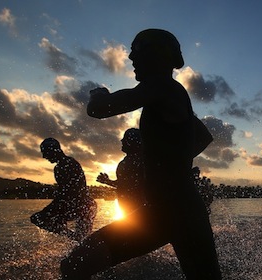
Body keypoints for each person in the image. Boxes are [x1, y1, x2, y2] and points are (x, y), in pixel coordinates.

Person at [60, 29, 221, 279]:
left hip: (176, 211)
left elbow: (99, 109)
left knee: (74, 266)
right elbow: (202, 136)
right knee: (74, 265)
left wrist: (97, 94)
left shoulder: (162, 86)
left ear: (158, 54)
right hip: (170, 210)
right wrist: (169, 162)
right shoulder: (172, 95)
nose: (130, 56)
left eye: (136, 50)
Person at [30, 138, 97, 241]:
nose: (44, 156)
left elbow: (67, 193)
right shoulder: (67, 163)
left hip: (81, 206)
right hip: (83, 205)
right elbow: (66, 194)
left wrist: (48, 211)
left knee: (37, 218)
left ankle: (73, 237)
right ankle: (74, 237)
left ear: (53, 150)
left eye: (45, 152)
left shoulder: (64, 166)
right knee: (84, 240)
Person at [96, 128, 145, 215]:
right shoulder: (137, 160)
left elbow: (129, 185)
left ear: (133, 142)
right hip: (132, 212)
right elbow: (125, 184)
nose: (122, 140)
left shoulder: (134, 162)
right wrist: (107, 181)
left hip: (136, 213)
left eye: (125, 138)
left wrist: (107, 181)